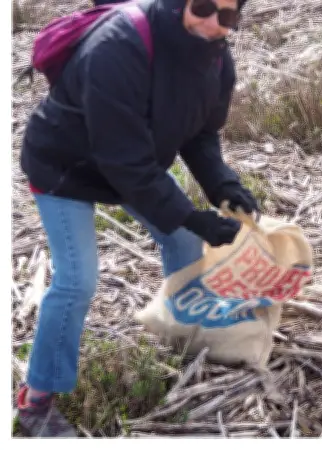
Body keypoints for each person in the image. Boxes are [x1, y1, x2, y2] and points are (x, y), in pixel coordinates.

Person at [17, 0, 253, 437]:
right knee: (76, 281)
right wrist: (192, 216)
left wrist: (223, 184)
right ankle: (37, 401)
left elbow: (201, 135)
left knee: (183, 243)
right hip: (64, 168)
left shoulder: (215, 58)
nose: (211, 23)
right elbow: (121, 159)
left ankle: (184, 327)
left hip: (132, 165)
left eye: (227, 16)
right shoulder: (118, 45)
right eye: (202, 7)